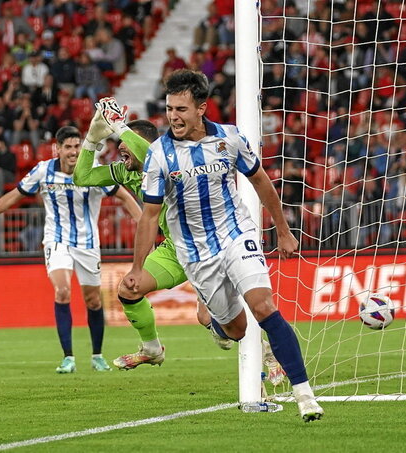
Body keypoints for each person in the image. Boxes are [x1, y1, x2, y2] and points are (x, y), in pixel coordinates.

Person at [123, 69, 323, 422]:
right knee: (236, 329)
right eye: (170, 108)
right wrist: (138, 267)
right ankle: (216, 321)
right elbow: (150, 215)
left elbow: (259, 179)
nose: (173, 116)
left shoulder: (229, 139)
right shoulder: (158, 155)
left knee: (263, 306)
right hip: (196, 253)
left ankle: (304, 395)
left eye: (181, 109)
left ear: (201, 108)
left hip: (236, 234)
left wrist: (283, 229)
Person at [0, 126, 141, 373]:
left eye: (77, 146)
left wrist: (145, 226)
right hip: (56, 240)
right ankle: (68, 358)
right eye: (68, 147)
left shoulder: (94, 170)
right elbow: (12, 197)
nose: (73, 151)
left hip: (88, 242)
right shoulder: (44, 170)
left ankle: (97, 355)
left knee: (92, 300)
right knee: (63, 291)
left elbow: (125, 197)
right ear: (58, 149)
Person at [73, 100, 233, 372]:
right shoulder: (126, 170)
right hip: (175, 249)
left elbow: (148, 154)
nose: (120, 154)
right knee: (129, 289)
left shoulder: (166, 158)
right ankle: (151, 349)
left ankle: (267, 354)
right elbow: (82, 176)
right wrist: (90, 140)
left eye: (125, 149)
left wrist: (119, 127)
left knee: (213, 321)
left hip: (209, 245)